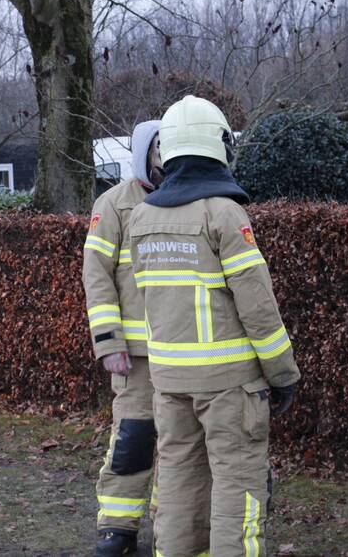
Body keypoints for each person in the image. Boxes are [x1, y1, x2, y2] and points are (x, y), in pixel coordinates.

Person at [129, 96, 301, 557]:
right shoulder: (223, 214)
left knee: (179, 480)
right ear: (219, 145)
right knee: (236, 485)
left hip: (168, 381)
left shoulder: (142, 217)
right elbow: (258, 306)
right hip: (229, 385)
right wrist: (283, 373)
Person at [83, 120, 164, 557]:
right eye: (159, 149)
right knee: (132, 442)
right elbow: (96, 277)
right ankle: (117, 528)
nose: (166, 157)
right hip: (135, 359)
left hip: (184, 354)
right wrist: (110, 343)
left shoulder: (189, 201)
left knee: (180, 446)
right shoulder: (113, 205)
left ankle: (169, 529)